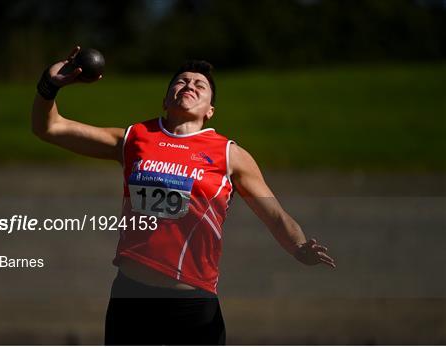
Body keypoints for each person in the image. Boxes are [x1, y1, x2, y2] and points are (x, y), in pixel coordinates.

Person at [32, 46, 336, 345]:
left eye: (199, 84)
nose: (189, 85)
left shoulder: (229, 155)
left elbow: (275, 214)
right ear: (166, 99)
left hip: (192, 308)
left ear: (210, 110)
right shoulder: (134, 138)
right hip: (131, 299)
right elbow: (49, 127)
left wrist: (299, 246)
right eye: (181, 81)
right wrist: (49, 85)